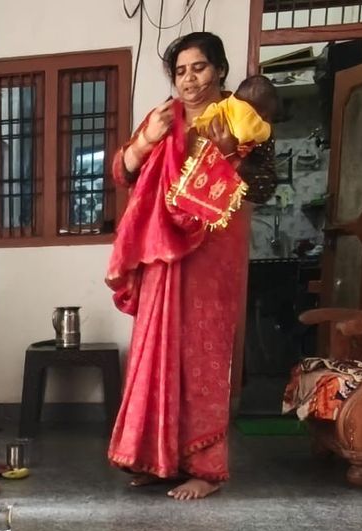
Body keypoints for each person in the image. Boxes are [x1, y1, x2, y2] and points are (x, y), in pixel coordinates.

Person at [106, 32, 275, 500]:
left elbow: (264, 186)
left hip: (213, 252)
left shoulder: (243, 118)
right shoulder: (164, 116)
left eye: (198, 68)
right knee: (155, 350)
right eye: (180, 71)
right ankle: (157, 460)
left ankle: (206, 469)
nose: (189, 79)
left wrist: (228, 156)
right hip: (162, 248)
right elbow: (122, 172)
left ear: (219, 69)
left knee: (203, 353)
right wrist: (146, 141)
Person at [192, 73, 278, 146]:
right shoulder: (250, 121)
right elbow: (262, 134)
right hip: (206, 140)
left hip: (198, 128)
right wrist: (267, 129)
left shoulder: (228, 102)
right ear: (263, 114)